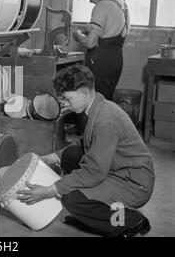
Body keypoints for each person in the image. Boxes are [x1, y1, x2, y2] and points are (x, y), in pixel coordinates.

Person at [17, 65, 155, 237]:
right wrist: (50, 158)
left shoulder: (106, 120)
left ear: (83, 93)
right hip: (117, 169)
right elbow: (85, 145)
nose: (64, 104)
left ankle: (130, 221)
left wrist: (51, 190)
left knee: (72, 199)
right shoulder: (96, 107)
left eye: (68, 99)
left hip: (133, 183)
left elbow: (94, 172)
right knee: (70, 155)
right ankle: (91, 214)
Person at [72, 0, 130, 101]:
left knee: (94, 104)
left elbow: (90, 43)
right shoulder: (121, 3)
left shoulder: (103, 5)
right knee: (104, 102)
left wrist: (78, 35)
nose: (90, 1)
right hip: (115, 59)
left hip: (101, 63)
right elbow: (113, 31)